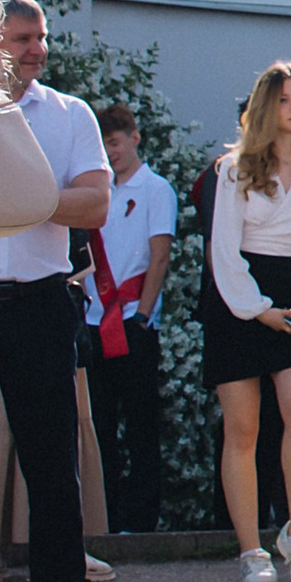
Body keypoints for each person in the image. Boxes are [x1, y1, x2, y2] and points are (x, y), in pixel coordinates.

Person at [0, 0, 110, 582]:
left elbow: (93, 207)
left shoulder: (69, 115)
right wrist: (41, 196)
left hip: (39, 301)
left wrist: (11, 197)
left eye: (42, 39)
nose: (37, 51)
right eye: (22, 39)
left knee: (53, 462)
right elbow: (67, 200)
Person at [208, 63, 291, 582]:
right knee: (244, 428)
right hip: (236, 296)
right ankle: (250, 551)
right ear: (267, 107)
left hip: (290, 289)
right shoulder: (234, 170)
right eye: (285, 99)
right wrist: (259, 310)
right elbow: (222, 250)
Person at [84, 102, 173, 536]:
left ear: (135, 138)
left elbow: (159, 256)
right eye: (104, 145)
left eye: (115, 142)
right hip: (93, 321)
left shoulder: (156, 189)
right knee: (98, 426)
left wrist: (141, 316)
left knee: (139, 426)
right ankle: (104, 519)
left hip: (134, 322)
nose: (111, 152)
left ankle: (140, 524)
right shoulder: (97, 188)